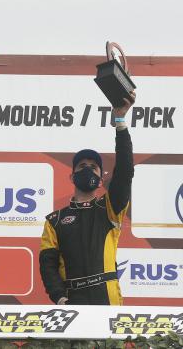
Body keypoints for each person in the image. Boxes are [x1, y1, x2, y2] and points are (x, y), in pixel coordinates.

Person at [39, 91, 136, 305]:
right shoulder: (54, 220)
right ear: (72, 176)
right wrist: (60, 297)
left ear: (101, 179)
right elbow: (48, 265)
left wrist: (120, 121)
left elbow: (125, 171)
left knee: (111, 341)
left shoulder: (110, 208)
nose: (88, 170)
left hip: (107, 296)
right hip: (73, 300)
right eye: (82, 166)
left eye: (94, 168)